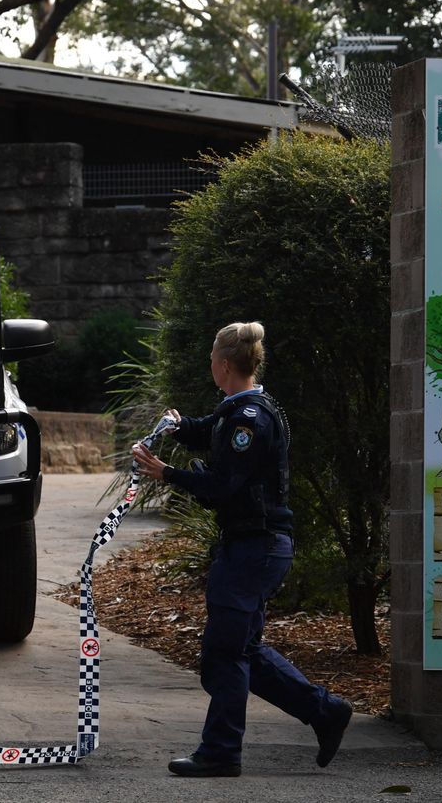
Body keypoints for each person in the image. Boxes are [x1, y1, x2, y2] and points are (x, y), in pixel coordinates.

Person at [131, 321, 352, 778]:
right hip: (256, 548)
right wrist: (173, 428)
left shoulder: (249, 419)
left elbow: (223, 486)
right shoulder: (240, 410)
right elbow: (205, 431)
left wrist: (166, 474)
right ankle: (325, 712)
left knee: (223, 654)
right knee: (243, 650)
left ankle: (220, 751)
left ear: (225, 364)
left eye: (212, 359)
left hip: (255, 549)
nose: (209, 365)